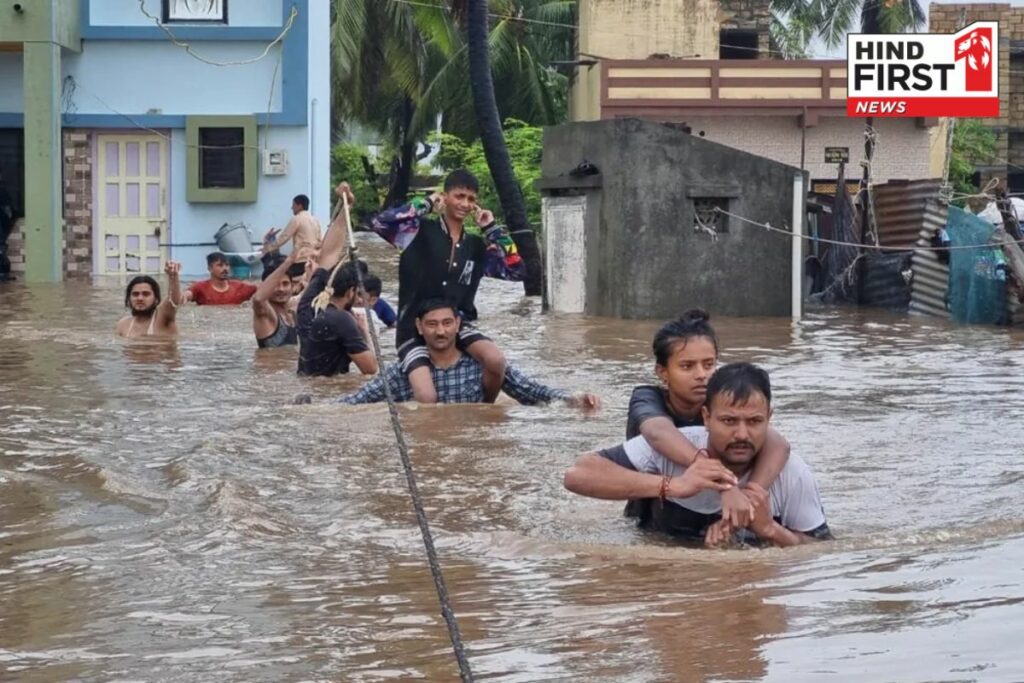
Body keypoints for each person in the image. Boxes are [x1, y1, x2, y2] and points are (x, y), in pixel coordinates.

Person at [564, 363, 832, 548]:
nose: (741, 434)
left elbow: (823, 552)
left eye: (754, 422)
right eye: (728, 421)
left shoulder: (791, 473)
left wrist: (771, 530)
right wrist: (675, 486)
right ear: (706, 417)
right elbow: (578, 474)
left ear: (769, 420)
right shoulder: (675, 448)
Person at [624, 310, 791, 536]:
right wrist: (721, 478)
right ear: (662, 372)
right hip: (652, 512)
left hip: (712, 506)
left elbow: (777, 443)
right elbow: (657, 432)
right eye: (687, 366)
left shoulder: (722, 403)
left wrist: (751, 495)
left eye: (709, 364)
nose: (702, 374)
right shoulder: (647, 397)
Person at [367, 169, 525, 404]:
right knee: (426, 396)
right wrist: (426, 204)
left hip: (458, 327)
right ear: (445, 197)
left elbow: (516, 271)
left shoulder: (476, 247)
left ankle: (483, 409)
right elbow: (380, 222)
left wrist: (491, 229)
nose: (465, 203)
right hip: (414, 329)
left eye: (471, 199)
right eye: (459, 196)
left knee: (495, 361)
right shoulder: (416, 232)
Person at [323, 299, 600, 407]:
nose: (440, 332)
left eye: (446, 323)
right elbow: (356, 402)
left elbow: (532, 392)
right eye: (432, 325)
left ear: (458, 324)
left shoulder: (480, 366)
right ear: (420, 328)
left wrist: (573, 400)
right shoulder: (405, 372)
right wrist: (313, 410)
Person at [295, 183, 378, 377]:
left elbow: (329, 254)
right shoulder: (342, 320)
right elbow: (371, 369)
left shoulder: (307, 306)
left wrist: (345, 208)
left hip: (305, 382)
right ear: (350, 291)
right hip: (329, 397)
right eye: (357, 294)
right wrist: (364, 331)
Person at [252, 247, 306, 348]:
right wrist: (287, 263)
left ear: (292, 286)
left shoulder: (291, 311)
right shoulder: (265, 312)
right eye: (276, 284)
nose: (281, 289)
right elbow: (258, 298)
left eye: (285, 284)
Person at [115, 261, 184, 338]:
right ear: (128, 299)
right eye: (135, 294)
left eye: (146, 294)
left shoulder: (162, 319)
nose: (140, 298)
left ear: (156, 299)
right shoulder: (123, 324)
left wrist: (173, 277)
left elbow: (173, 302)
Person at [184, 252, 258, 305]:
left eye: (227, 265)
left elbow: (262, 290)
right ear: (210, 268)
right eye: (220, 265)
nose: (225, 269)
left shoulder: (239, 287)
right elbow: (180, 299)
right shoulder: (199, 288)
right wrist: (174, 278)